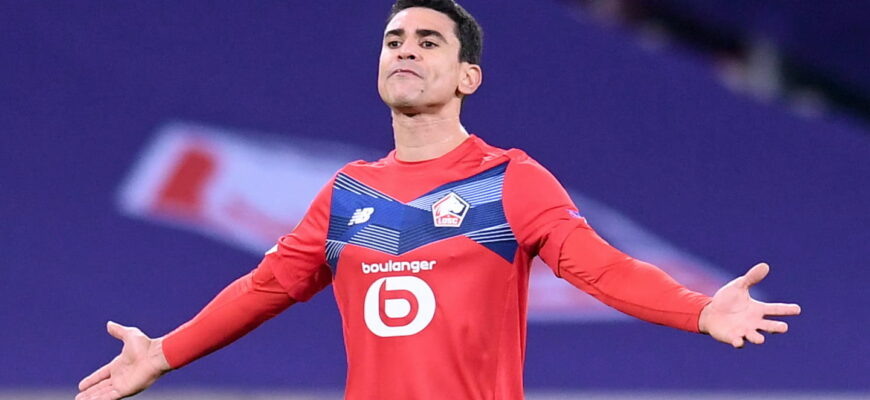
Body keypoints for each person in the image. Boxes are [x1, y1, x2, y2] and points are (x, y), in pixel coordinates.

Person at [76, 1, 801, 399]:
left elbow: (602, 268)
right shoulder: (347, 194)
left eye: (428, 42)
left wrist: (698, 309)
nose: (406, 50)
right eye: (394, 40)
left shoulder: (510, 180)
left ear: (467, 77)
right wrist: (162, 354)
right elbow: (264, 288)